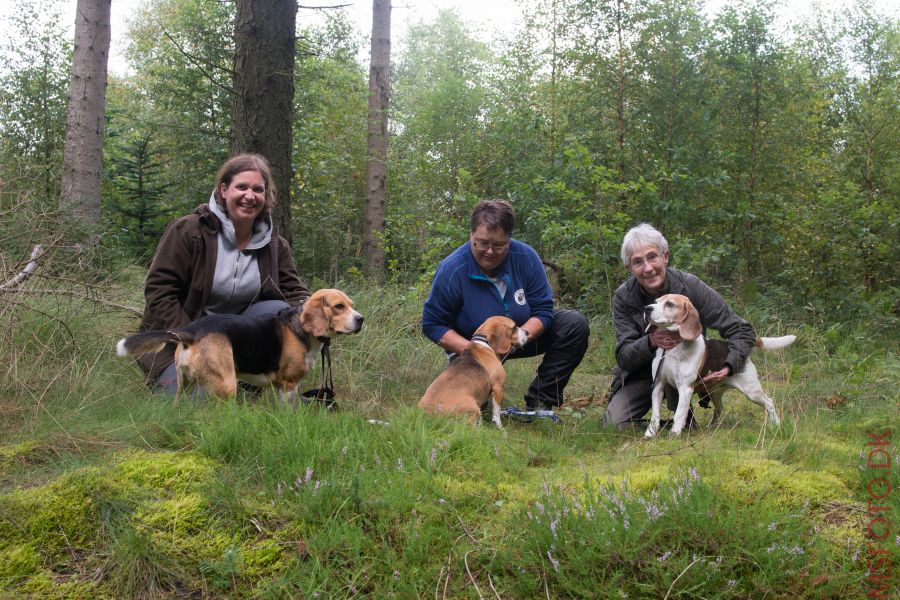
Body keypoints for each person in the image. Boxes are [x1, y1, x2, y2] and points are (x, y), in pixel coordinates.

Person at [134, 153, 310, 393]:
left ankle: (259, 379)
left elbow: (294, 294)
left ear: (265, 196)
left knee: (274, 308)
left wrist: (318, 311)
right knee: (193, 406)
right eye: (242, 187)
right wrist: (195, 337)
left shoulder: (275, 246)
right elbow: (159, 290)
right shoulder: (189, 231)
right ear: (224, 189)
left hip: (242, 342)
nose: (250, 196)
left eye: (258, 189)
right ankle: (188, 378)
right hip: (186, 339)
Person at [422, 199, 590, 413]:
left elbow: (544, 312)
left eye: (499, 245)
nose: (490, 251)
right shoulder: (452, 269)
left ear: (510, 239)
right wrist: (474, 351)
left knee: (573, 324)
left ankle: (541, 401)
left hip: (516, 338)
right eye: (482, 243)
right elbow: (432, 324)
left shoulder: (527, 258)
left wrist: (520, 337)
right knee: (471, 410)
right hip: (471, 349)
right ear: (471, 235)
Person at [605, 223, 756, 428]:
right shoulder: (624, 297)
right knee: (614, 424)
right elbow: (624, 356)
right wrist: (651, 341)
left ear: (665, 256)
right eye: (638, 262)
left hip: (687, 370)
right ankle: (675, 425)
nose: (648, 268)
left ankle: (683, 419)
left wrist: (728, 367)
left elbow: (742, 330)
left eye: (652, 257)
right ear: (629, 268)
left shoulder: (691, 286)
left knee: (683, 378)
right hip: (641, 373)